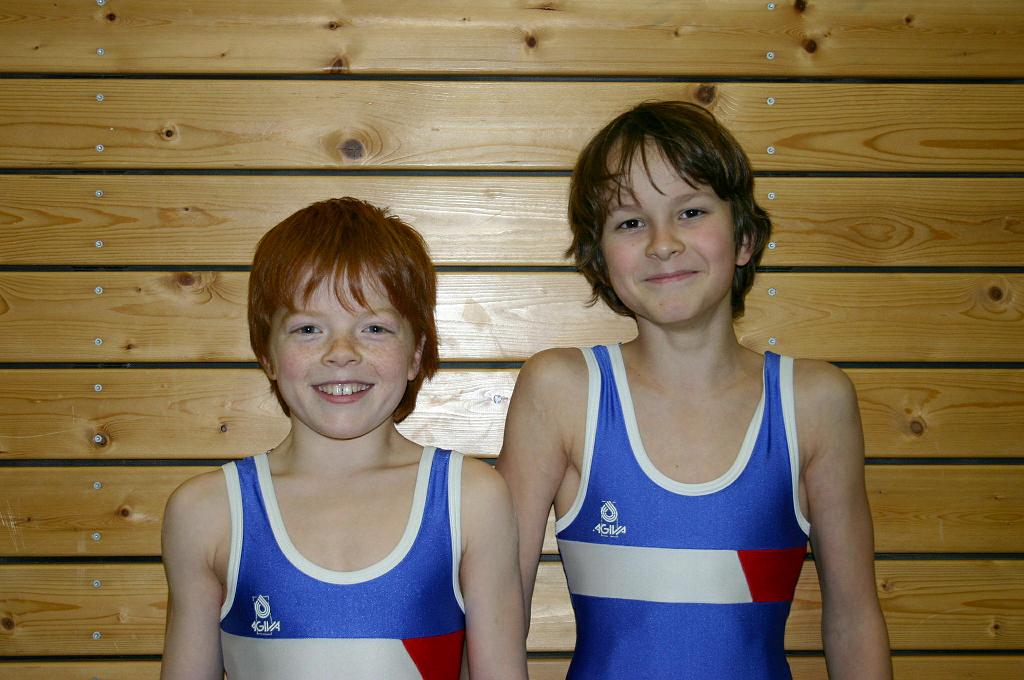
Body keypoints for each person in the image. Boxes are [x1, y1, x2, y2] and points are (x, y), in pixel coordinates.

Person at [496, 102, 891, 679]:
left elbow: (854, 618)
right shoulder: (561, 392)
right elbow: (498, 609)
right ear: (600, 259)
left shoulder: (814, 401)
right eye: (630, 222)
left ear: (745, 239)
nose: (662, 242)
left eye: (691, 211)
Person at [161, 198, 527, 680]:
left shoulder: (471, 499)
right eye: (308, 328)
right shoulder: (207, 512)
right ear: (266, 353)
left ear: (416, 353)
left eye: (374, 328)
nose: (341, 353)